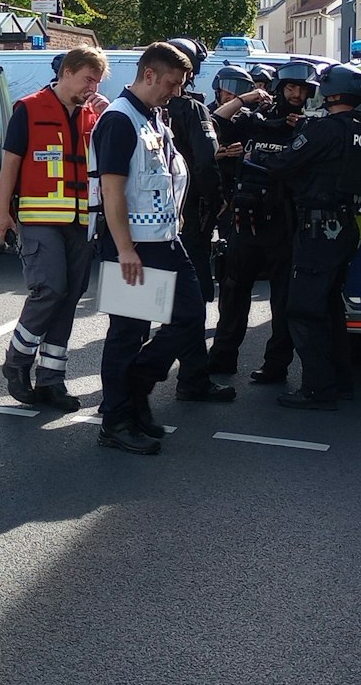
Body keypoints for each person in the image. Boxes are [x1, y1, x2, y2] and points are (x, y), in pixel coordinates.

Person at [90, 42, 206, 455]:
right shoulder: (120, 120)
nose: (176, 92)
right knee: (128, 332)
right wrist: (124, 250)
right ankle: (118, 420)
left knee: (189, 316)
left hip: (162, 240)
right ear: (150, 74)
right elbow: (112, 190)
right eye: (172, 84)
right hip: (134, 245)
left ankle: (134, 391)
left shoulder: (153, 116)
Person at [262, 63, 361, 410]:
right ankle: (340, 383)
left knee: (304, 310)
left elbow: (285, 162)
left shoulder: (326, 129)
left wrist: (255, 153)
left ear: (331, 93)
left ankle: (317, 390)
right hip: (345, 225)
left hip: (319, 229)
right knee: (331, 308)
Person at [0, 46, 105, 410]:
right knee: (50, 290)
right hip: (40, 218)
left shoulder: (93, 115)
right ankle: (17, 360)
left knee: (70, 297)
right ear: (68, 72)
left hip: (81, 221)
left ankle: (52, 380)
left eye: (98, 81)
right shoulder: (29, 108)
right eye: (89, 79)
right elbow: (10, 164)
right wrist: (1, 212)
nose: (93, 87)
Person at [209, 62, 313, 383]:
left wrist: (303, 127)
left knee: (282, 302)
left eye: (302, 90)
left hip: (284, 224)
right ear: (280, 89)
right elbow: (216, 121)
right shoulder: (255, 120)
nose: (295, 95)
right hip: (245, 223)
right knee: (233, 293)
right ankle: (223, 357)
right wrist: (247, 98)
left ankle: (275, 366)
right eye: (290, 88)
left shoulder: (308, 127)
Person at [160, 37, 235, 402]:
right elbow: (205, 163)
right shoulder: (191, 110)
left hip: (138, 228)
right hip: (186, 221)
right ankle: (186, 376)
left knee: (134, 313)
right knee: (192, 301)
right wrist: (218, 200)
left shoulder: (131, 110)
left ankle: (128, 383)